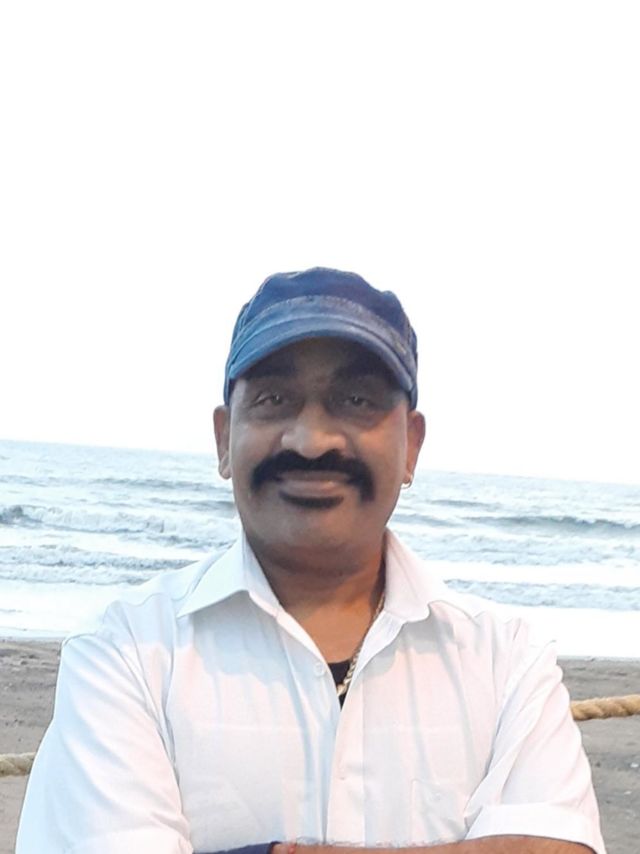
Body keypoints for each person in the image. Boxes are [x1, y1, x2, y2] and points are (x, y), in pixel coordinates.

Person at [17, 268, 605, 854]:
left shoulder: (507, 658)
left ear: (412, 445)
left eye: (357, 401)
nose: (311, 439)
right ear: (224, 439)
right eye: (274, 400)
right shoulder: (125, 651)